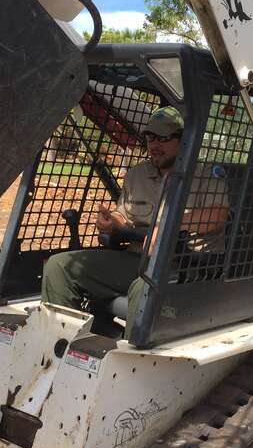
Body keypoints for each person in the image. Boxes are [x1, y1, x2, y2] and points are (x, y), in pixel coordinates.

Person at [41, 106, 229, 326]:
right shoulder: (137, 174)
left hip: (187, 264)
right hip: (138, 258)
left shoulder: (206, 174)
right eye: (150, 137)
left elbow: (218, 214)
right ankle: (61, 343)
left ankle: (133, 354)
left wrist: (170, 225)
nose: (154, 145)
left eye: (163, 138)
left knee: (144, 288)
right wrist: (111, 222)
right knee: (60, 266)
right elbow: (125, 216)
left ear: (185, 139)